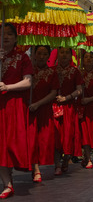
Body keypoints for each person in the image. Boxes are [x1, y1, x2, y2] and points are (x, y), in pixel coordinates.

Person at [0, 23, 33, 199]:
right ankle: (7, 184)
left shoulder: (23, 58)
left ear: (15, 38)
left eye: (9, 34)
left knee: (12, 144)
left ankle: (9, 174)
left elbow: (28, 82)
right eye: (1, 34)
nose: (5, 37)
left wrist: (8, 86)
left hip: (14, 107)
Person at [29, 45, 59, 182]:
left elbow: (53, 93)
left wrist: (38, 104)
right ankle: (35, 169)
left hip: (44, 110)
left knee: (43, 140)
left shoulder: (52, 73)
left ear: (48, 56)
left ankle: (37, 165)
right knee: (31, 139)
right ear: (34, 54)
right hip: (28, 109)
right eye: (39, 53)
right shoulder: (28, 71)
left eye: (45, 54)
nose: (41, 56)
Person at [53, 47, 83, 175]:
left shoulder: (75, 71)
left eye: (67, 53)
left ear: (71, 55)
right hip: (53, 106)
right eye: (62, 52)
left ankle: (66, 160)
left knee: (69, 136)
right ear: (57, 54)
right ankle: (57, 164)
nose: (64, 55)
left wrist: (67, 97)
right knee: (55, 136)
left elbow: (79, 90)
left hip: (69, 108)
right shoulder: (52, 71)